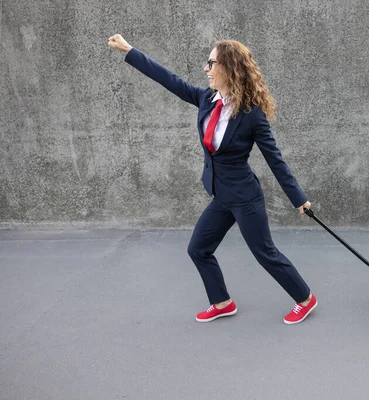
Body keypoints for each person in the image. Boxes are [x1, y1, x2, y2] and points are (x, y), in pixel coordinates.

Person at [107, 34, 317, 325]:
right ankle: (222, 302)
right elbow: (169, 79)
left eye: (211, 63)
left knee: (264, 253)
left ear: (229, 69)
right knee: (199, 249)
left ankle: (305, 298)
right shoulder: (206, 99)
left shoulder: (251, 115)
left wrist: (299, 200)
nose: (206, 69)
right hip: (221, 195)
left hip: (245, 197)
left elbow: (275, 159)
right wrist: (130, 50)